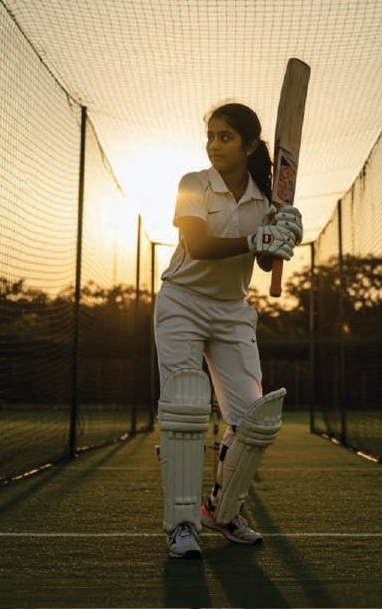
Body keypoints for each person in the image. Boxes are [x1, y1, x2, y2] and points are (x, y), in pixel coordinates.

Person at [155, 102, 303, 559]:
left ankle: (221, 510)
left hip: (232, 310)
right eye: (211, 136)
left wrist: (282, 236)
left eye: (225, 137)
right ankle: (181, 526)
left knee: (252, 418)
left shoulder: (265, 197)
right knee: (184, 411)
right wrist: (255, 238)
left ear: (250, 145)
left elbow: (262, 260)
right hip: (181, 301)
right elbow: (197, 244)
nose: (214, 145)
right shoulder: (193, 183)